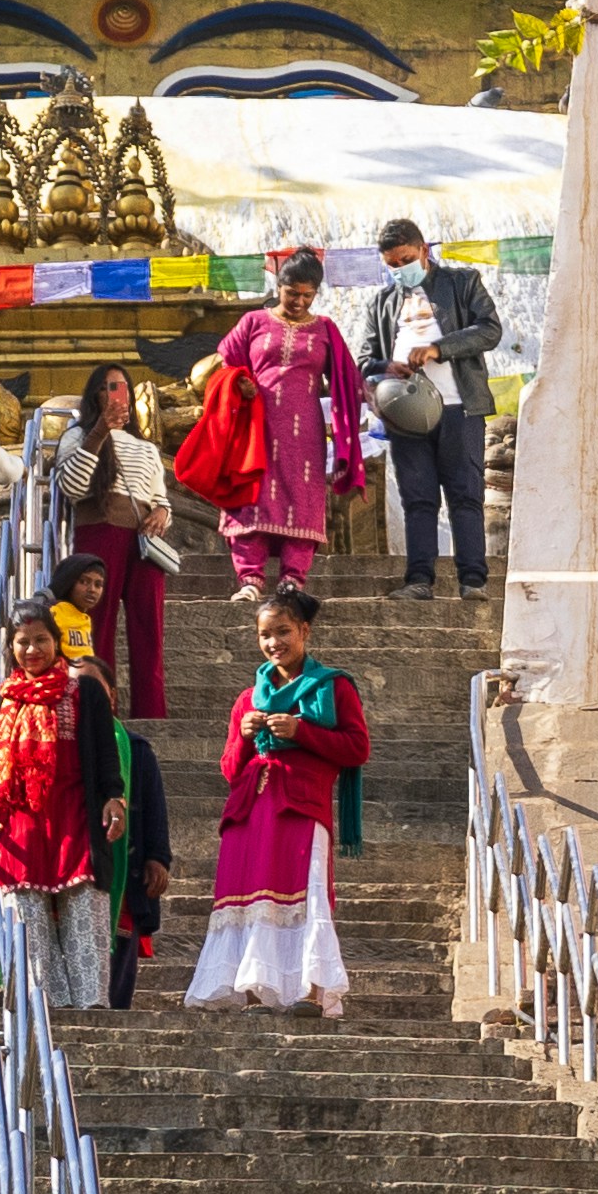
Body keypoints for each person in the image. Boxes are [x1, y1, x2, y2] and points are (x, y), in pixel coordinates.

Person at [186, 581, 370, 1017]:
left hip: (301, 807)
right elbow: (230, 769)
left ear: (304, 631)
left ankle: (309, 993)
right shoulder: (248, 699)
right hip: (249, 810)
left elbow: (357, 748)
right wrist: (247, 737)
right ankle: (252, 993)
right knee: (248, 898)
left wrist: (302, 731)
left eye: (283, 632)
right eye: (266, 635)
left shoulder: (332, 687)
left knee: (304, 895)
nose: (274, 643)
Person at [0, 592, 123, 1013]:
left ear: (57, 642)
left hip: (75, 815)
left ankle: (91, 1005)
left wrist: (114, 799)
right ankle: (42, 1004)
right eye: (22, 642)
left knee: (83, 910)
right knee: (26, 919)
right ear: (11, 648)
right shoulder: (7, 697)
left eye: (40, 641)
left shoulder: (83, 689)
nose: (32, 650)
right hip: (21, 822)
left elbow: (106, 755)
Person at [195, 252, 370, 603]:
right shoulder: (253, 322)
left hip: (304, 432)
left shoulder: (326, 330)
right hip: (255, 427)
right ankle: (250, 580)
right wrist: (240, 381)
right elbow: (225, 365)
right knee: (251, 495)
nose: (300, 302)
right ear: (279, 288)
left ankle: (292, 580)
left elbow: (347, 380)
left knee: (301, 499)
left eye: (308, 295)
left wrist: (375, 399)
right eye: (293, 294)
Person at [360, 218, 502, 600]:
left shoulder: (462, 283)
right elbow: (363, 360)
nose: (399, 269)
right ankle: (419, 580)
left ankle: (473, 580)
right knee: (418, 497)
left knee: (465, 494)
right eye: (391, 264)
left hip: (460, 407)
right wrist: (387, 367)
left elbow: (490, 329)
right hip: (404, 414)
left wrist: (439, 349)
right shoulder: (382, 303)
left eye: (404, 259)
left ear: (424, 250)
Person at [55, 368, 175, 721]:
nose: (117, 393)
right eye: (109, 387)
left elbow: (159, 496)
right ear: (95, 395)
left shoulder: (147, 447)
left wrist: (163, 513)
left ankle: (152, 714)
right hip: (99, 531)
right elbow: (72, 488)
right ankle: (98, 706)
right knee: (97, 623)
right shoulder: (77, 435)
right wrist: (98, 432)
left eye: (123, 387)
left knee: (148, 631)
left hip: (144, 542)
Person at [106, 691, 180, 1011]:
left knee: (119, 959)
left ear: (111, 697)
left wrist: (158, 857)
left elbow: (153, 807)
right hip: (72, 871)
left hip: (124, 873)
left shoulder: (135, 748)